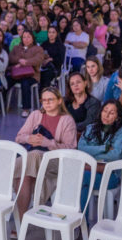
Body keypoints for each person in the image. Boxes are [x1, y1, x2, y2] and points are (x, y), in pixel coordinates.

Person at [11, 87, 77, 218]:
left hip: (56, 163)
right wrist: (29, 138)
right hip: (32, 162)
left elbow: (71, 148)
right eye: (44, 100)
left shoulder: (67, 120)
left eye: (50, 99)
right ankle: (21, 222)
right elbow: (19, 137)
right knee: (25, 174)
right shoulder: (36, 114)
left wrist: (48, 143)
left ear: (59, 100)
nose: (46, 103)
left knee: (34, 154)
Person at [77, 99, 122, 210]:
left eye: (111, 113)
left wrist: (91, 155)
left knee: (79, 177)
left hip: (110, 175)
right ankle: (82, 222)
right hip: (89, 171)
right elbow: (81, 148)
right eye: (105, 111)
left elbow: (115, 156)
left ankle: (79, 220)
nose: (106, 115)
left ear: (117, 117)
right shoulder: (91, 128)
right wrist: (104, 148)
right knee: (83, 181)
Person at [9, 30, 46, 116]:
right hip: (17, 73)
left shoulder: (38, 49)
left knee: (25, 82)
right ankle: (1, 105)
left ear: (33, 38)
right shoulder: (16, 48)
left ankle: (26, 108)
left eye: (29, 37)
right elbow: (11, 58)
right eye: (24, 37)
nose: (26, 39)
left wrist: (26, 62)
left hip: (32, 74)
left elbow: (38, 59)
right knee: (6, 81)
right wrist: (19, 60)